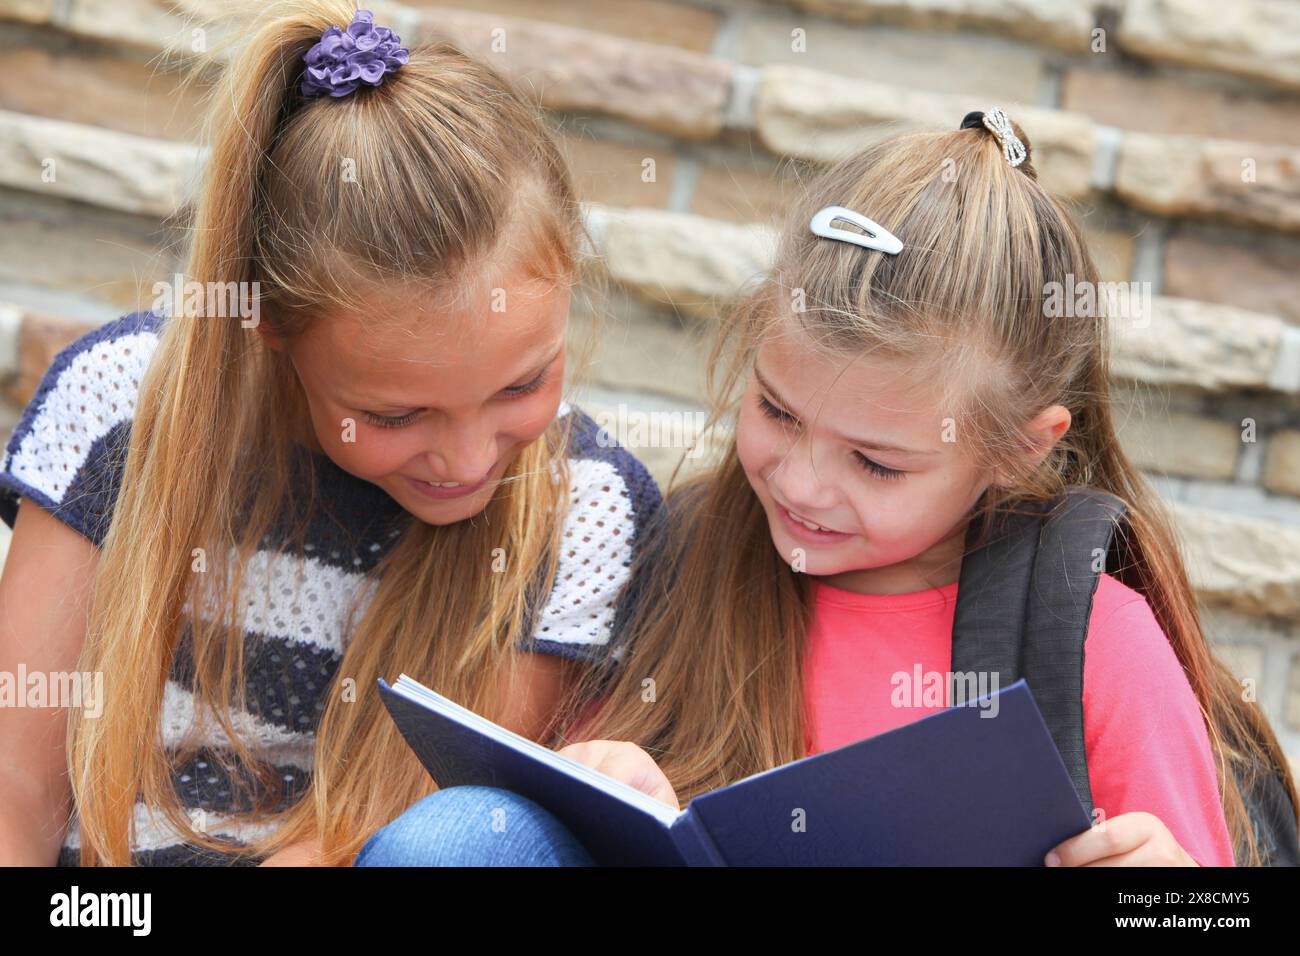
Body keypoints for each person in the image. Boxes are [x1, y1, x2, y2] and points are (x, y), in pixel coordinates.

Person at [361, 108, 1298, 867]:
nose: (801, 482)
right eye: (777, 412)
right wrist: (610, 773)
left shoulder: (1091, 642)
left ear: (1019, 448)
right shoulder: (685, 554)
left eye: (877, 463)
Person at [0, 0, 659, 867]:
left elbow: (389, 829)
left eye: (523, 383)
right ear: (270, 324)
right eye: (395, 415)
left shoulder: (586, 507)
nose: (467, 461)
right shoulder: (120, 400)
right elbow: (16, 797)